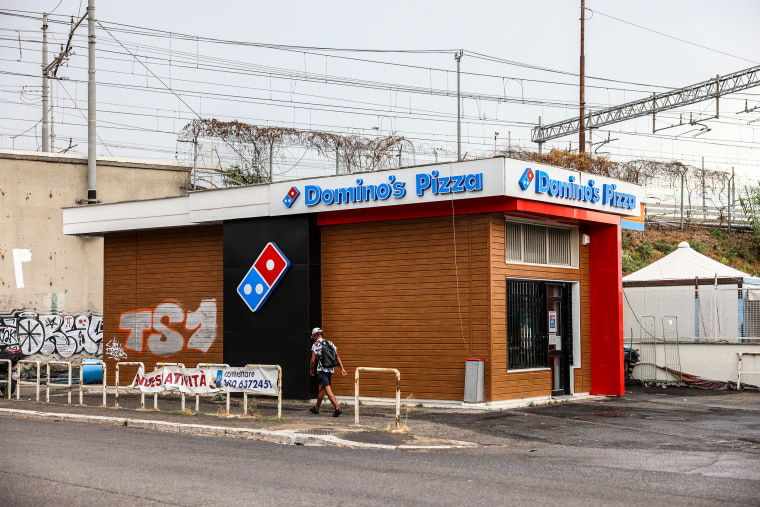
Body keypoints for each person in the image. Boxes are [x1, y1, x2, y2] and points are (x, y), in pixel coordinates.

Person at [309, 327, 347, 417]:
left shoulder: (316, 344)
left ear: (315, 335)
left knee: (328, 389)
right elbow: (337, 356)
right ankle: (316, 408)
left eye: (313, 336)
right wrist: (342, 368)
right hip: (330, 370)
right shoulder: (330, 342)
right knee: (321, 388)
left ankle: (337, 408)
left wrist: (311, 369)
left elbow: (313, 360)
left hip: (322, 370)